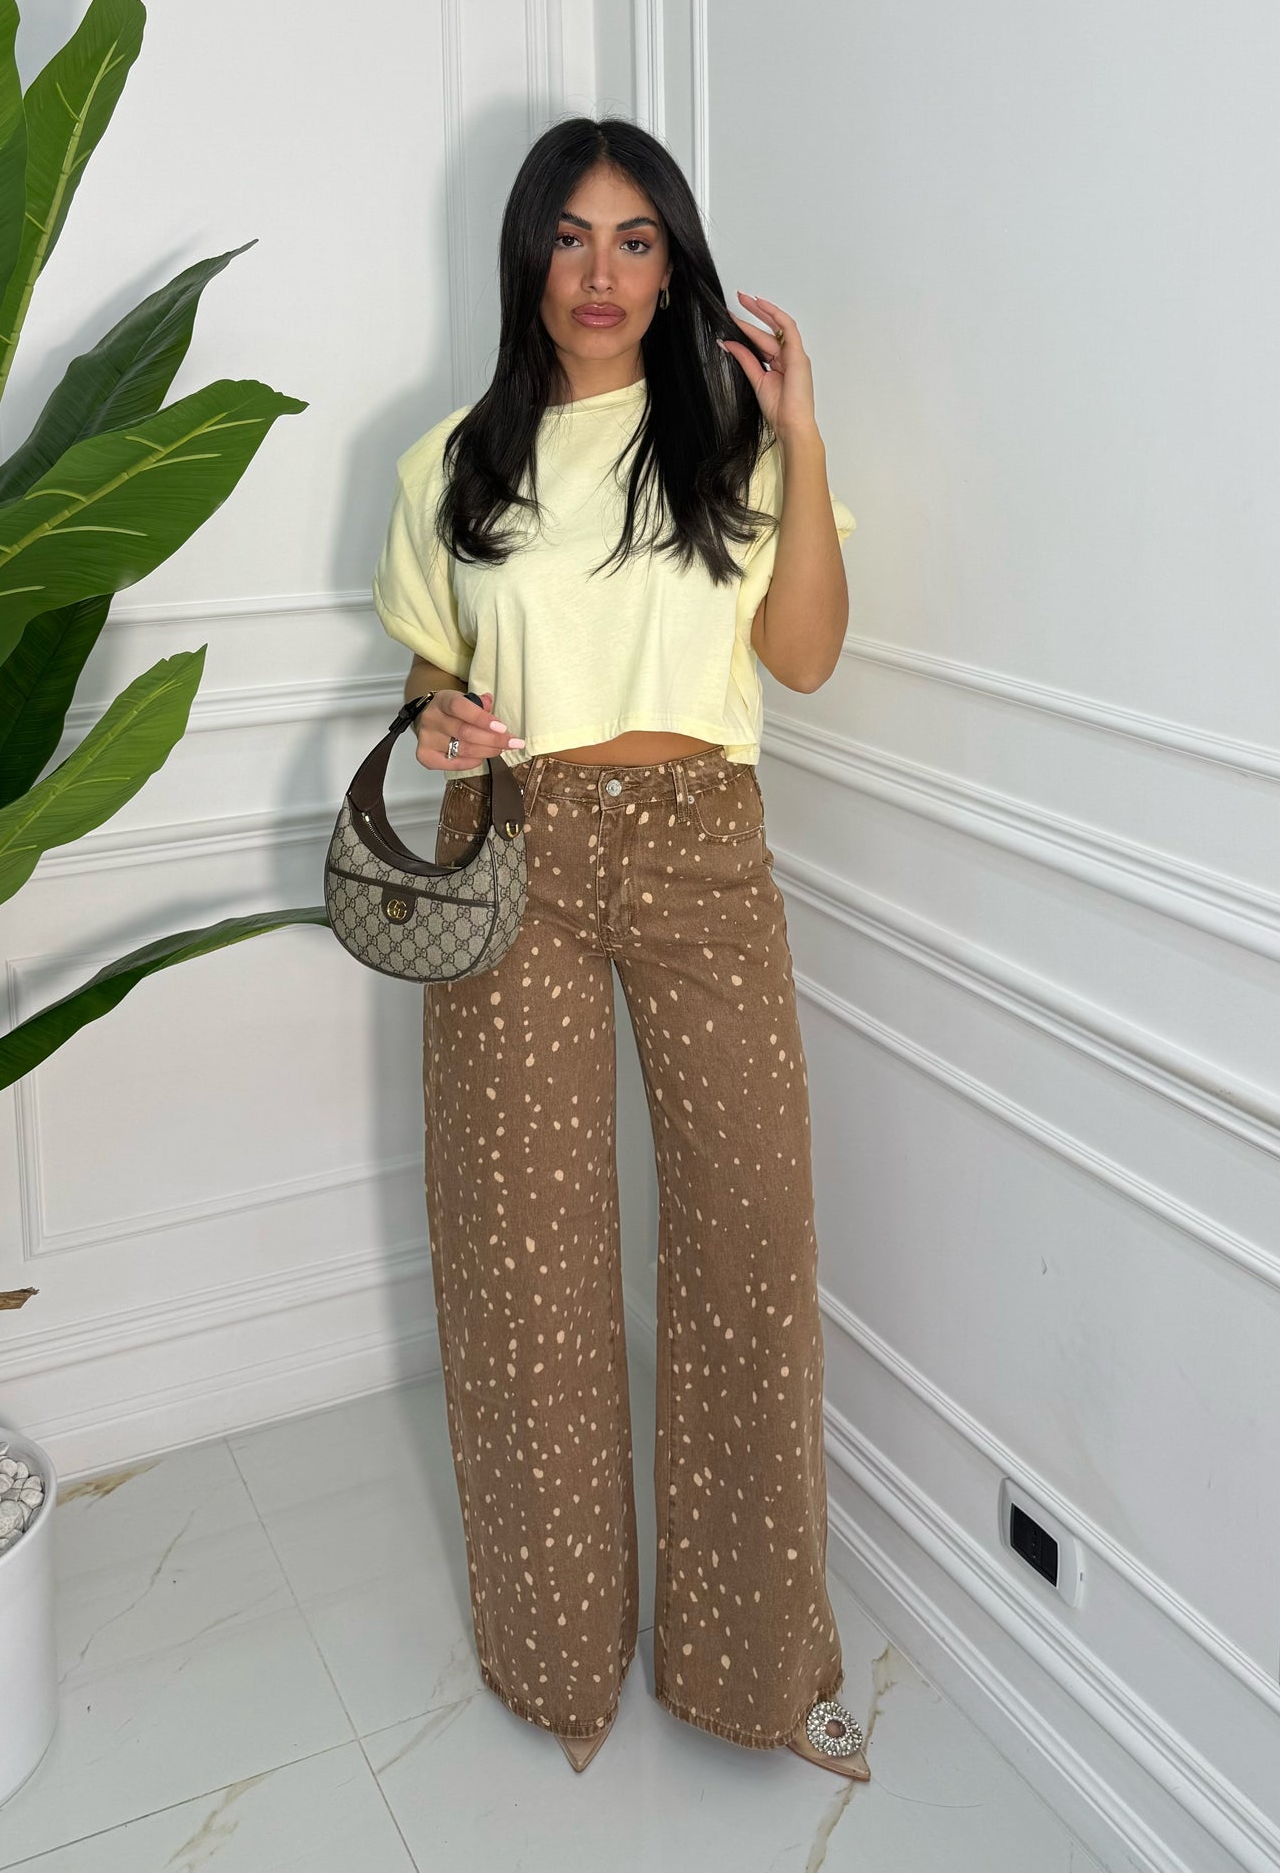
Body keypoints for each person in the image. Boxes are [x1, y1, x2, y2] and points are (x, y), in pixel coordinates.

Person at [371, 115, 868, 1782]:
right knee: (524, 1262)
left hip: (701, 846)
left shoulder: (730, 438)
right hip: (510, 842)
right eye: (572, 237)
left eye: (636, 239)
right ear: (528, 256)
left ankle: (751, 1667)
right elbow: (436, 670)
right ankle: (555, 1658)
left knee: (749, 1237)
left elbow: (803, 658)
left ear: (674, 265)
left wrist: (801, 432)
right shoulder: (452, 462)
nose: (601, 273)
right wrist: (436, 723)